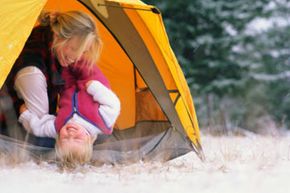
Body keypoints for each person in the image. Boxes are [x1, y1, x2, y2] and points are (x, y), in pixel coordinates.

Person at [4, 10, 120, 165]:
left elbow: (42, 126)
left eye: (83, 51)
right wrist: (95, 89)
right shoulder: (32, 73)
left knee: (58, 140)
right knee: (42, 140)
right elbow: (40, 125)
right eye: (74, 49)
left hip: (79, 89)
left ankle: (72, 147)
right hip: (8, 116)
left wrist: (26, 115)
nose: (77, 57)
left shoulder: (60, 52)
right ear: (58, 38)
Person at [19, 61, 120, 166]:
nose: (70, 134)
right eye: (77, 138)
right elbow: (113, 105)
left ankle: (57, 54)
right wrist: (95, 89)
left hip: (68, 86)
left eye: (65, 138)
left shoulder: (57, 128)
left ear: (58, 139)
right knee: (79, 58)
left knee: (61, 64)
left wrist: (25, 115)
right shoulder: (101, 123)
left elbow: (38, 128)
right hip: (90, 79)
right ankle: (76, 53)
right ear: (89, 140)